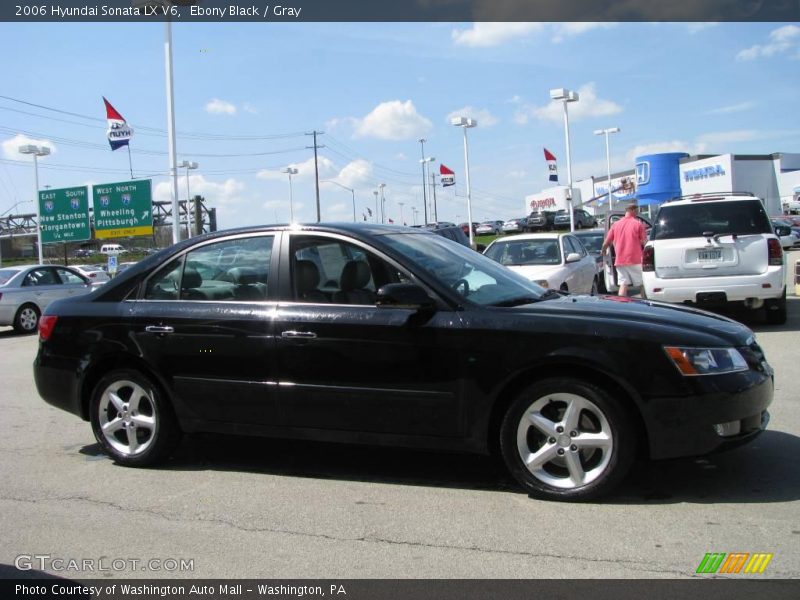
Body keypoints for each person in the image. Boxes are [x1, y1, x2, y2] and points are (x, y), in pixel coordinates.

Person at [600, 203, 648, 297]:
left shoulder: (615, 225)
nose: (637, 212)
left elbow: (606, 242)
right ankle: (645, 305)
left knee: (623, 284)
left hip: (620, 261)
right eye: (637, 210)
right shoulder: (638, 224)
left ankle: (622, 305)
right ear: (633, 210)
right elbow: (644, 242)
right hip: (635, 260)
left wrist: (603, 250)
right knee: (643, 284)